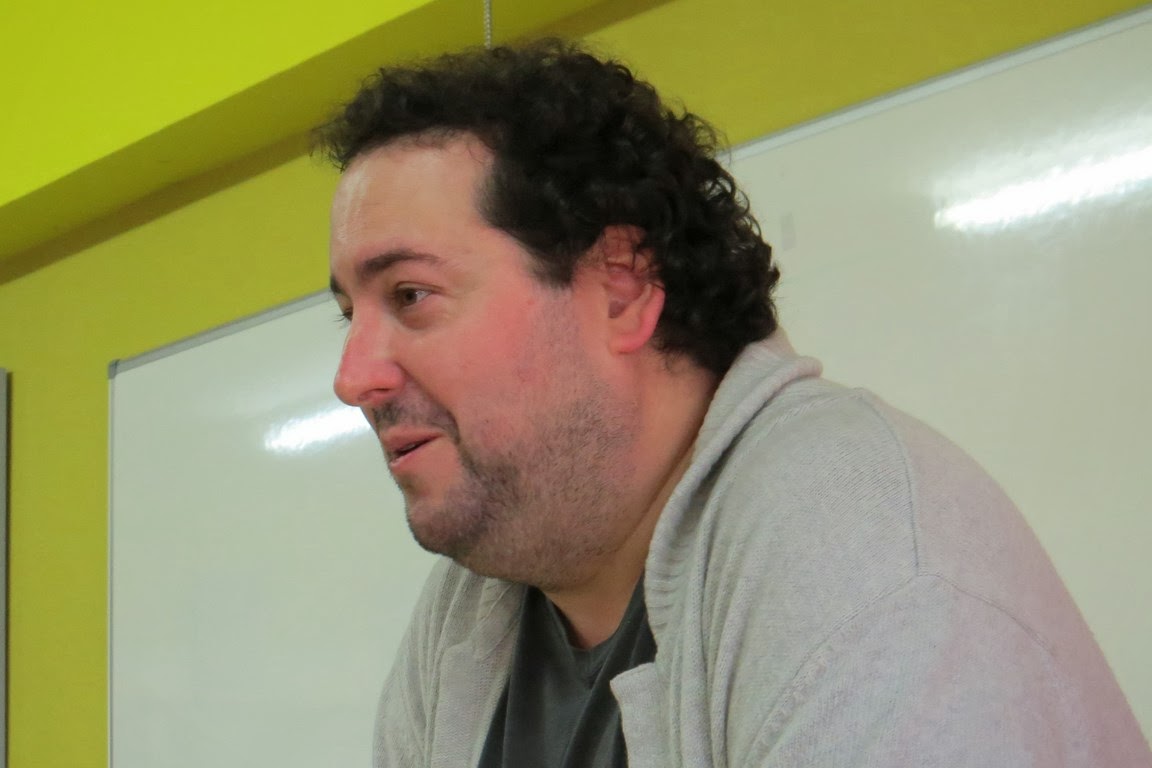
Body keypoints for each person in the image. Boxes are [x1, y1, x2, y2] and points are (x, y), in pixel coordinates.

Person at [316, 39, 1150, 767]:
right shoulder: (467, 623)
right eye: (352, 315)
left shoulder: (860, 556)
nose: (353, 379)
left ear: (620, 288)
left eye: (411, 295)